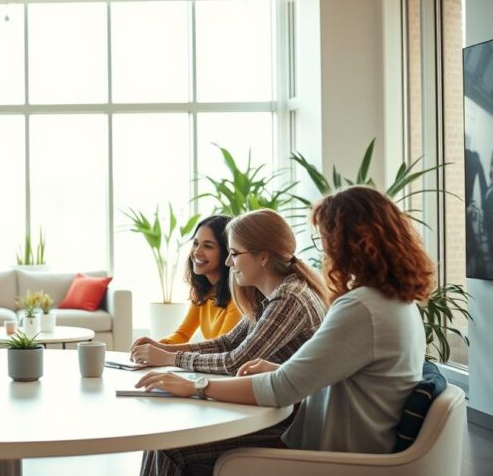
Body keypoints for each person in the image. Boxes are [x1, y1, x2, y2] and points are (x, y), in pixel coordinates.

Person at [136, 186, 433, 476]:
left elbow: (280, 388)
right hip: (336, 440)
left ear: (349, 241)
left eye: (326, 238)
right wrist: (282, 367)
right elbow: (341, 376)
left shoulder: (361, 307)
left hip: (330, 456)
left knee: (169, 448)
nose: (325, 249)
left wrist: (195, 386)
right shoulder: (393, 301)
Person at [130, 209, 328, 377]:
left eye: (234, 254)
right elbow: (228, 342)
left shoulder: (289, 298)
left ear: (263, 257)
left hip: (289, 417)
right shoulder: (268, 295)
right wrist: (163, 348)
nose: (228, 263)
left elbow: (237, 361)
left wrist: (170, 358)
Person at [138, 215, 242, 346]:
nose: (197, 252)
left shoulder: (238, 297)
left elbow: (220, 348)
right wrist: (153, 345)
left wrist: (163, 352)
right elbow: (182, 334)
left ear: (226, 253)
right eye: (196, 243)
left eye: (208, 246)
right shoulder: (202, 292)